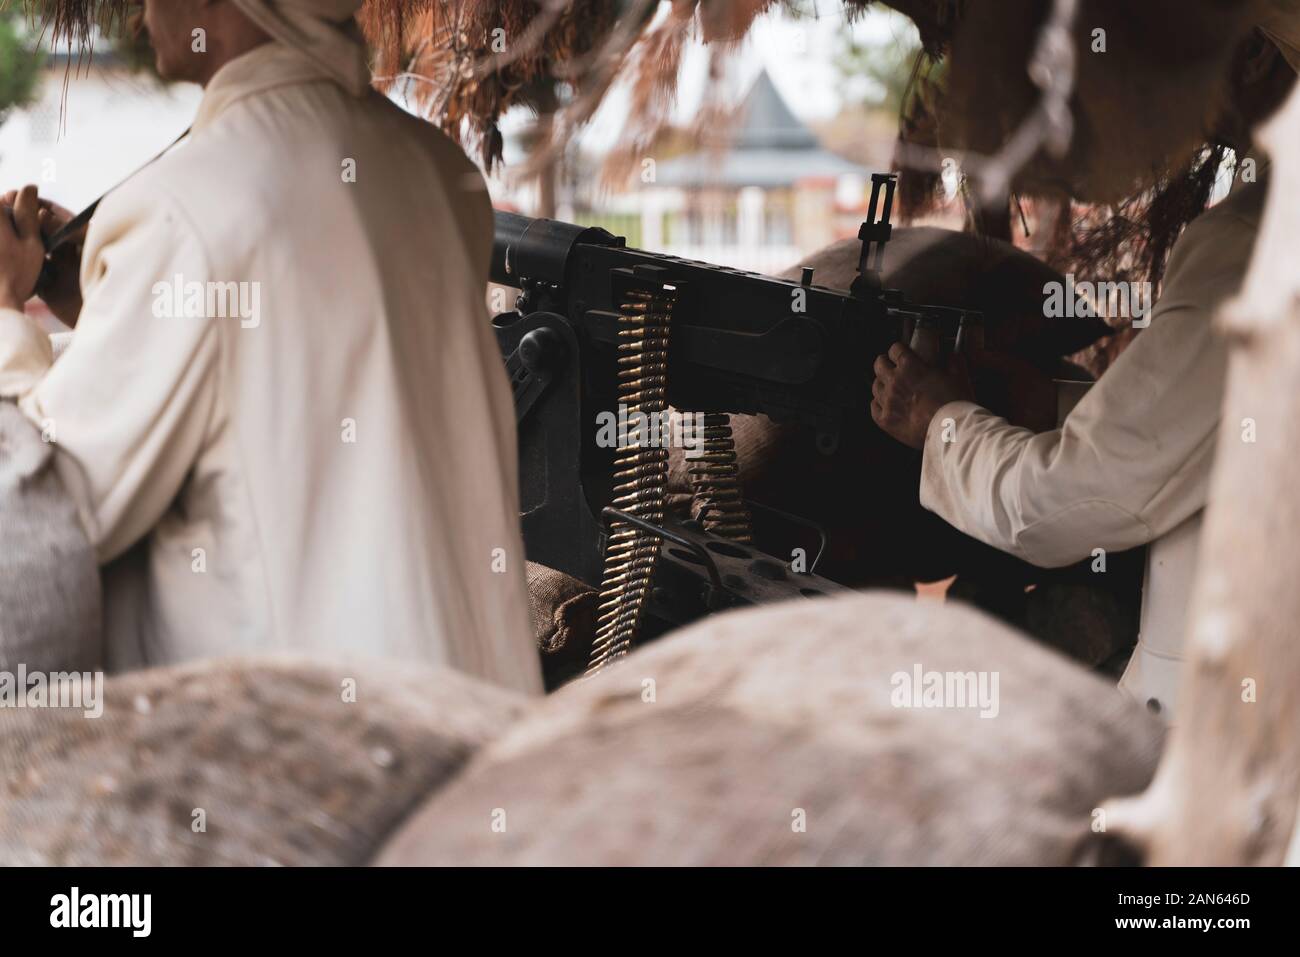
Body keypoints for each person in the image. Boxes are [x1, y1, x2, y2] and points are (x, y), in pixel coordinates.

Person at [0, 0, 542, 693]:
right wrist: (109, 295)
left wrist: (7, 310)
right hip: (468, 699)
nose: (141, 13)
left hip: (302, 744)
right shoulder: (440, 169)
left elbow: (52, 515)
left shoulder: (181, 210)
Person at [870, 21, 1299, 719]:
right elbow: (1219, 430)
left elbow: (1072, 501)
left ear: (1252, 52)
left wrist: (940, 422)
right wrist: (1055, 404)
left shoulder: (1252, 241)